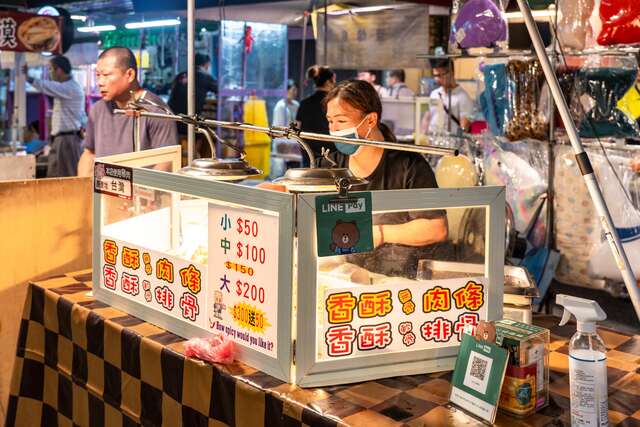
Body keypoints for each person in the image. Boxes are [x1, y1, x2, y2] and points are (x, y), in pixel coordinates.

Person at [323, 79, 448, 277]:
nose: (334, 129)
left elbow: (436, 228)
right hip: (347, 276)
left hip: (401, 279)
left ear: (371, 120)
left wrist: (379, 233)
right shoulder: (332, 163)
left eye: (341, 121)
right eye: (330, 121)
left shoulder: (409, 165)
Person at [78, 47, 178, 176]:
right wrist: (84, 190)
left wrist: (143, 193)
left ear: (130, 75)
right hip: (104, 191)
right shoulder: (97, 110)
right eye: (98, 75)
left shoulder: (155, 111)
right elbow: (89, 153)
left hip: (141, 193)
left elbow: (166, 162)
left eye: (107, 75)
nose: (100, 82)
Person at [24, 55, 86, 177]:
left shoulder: (69, 88)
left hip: (66, 141)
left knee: (65, 177)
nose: (50, 73)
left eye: (51, 69)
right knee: (56, 175)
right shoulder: (68, 87)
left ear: (59, 70)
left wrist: (28, 78)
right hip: (63, 140)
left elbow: (47, 86)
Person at [168, 53, 218, 157]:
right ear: (206, 65)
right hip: (189, 122)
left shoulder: (181, 75)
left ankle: (186, 156)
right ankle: (197, 156)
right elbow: (220, 91)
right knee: (207, 131)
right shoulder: (205, 76)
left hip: (173, 121)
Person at [421, 58, 474, 134]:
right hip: (431, 141)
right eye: (435, 75)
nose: (437, 79)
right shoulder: (434, 94)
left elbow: (465, 124)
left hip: (449, 142)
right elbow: (427, 117)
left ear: (451, 73)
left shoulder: (464, 97)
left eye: (440, 75)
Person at [296, 65, 336, 166]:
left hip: (309, 152)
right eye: (334, 80)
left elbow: (296, 128)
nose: (335, 84)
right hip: (331, 152)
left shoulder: (305, 103)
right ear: (328, 82)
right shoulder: (334, 103)